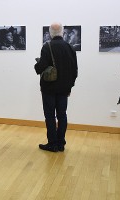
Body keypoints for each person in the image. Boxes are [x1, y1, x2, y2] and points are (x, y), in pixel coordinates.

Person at [34, 22, 78, 152]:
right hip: (64, 88)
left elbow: (40, 67)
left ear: (50, 33)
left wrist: (37, 65)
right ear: (62, 32)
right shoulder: (70, 47)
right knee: (62, 115)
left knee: (50, 116)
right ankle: (61, 143)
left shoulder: (47, 47)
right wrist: (70, 86)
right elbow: (75, 70)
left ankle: (52, 143)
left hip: (49, 88)